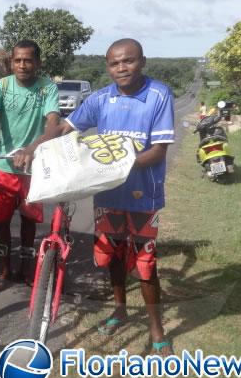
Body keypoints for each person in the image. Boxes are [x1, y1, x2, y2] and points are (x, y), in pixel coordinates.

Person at [44, 38, 175, 356]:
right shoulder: (101, 98)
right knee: (113, 258)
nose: (122, 68)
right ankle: (120, 310)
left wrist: (118, 167)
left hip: (144, 198)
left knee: (146, 265)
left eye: (128, 61)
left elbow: (158, 151)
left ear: (142, 61)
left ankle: (156, 329)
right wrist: (37, 148)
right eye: (115, 63)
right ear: (108, 66)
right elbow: (65, 128)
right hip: (108, 196)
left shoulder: (159, 95)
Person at [0, 39, 60, 292]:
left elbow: (53, 122)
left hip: (33, 168)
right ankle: (4, 270)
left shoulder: (47, 88)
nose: (22, 65)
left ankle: (27, 267)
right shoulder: (2, 86)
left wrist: (31, 149)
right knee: (2, 221)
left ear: (37, 62)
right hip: (5, 168)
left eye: (28, 60)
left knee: (30, 221)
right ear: (11, 62)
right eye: (17, 60)